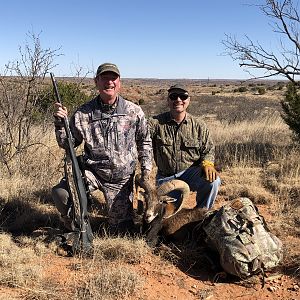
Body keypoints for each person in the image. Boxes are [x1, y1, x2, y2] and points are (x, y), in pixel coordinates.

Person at [52, 63, 152, 234]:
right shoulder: (83, 114)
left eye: (113, 78)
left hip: (121, 180)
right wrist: (61, 123)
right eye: (104, 78)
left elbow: (144, 141)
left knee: (121, 231)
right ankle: (74, 225)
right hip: (93, 173)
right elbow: (67, 143)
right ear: (96, 82)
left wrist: (146, 171)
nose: (109, 82)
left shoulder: (134, 111)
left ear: (119, 82)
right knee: (62, 194)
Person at [148, 84, 221, 209]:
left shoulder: (199, 125)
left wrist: (208, 163)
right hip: (167, 179)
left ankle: (201, 215)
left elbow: (208, 149)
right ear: (168, 100)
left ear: (188, 100)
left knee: (213, 181)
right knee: (167, 216)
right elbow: (139, 134)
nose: (178, 100)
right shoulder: (155, 123)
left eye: (183, 96)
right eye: (173, 96)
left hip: (191, 173)